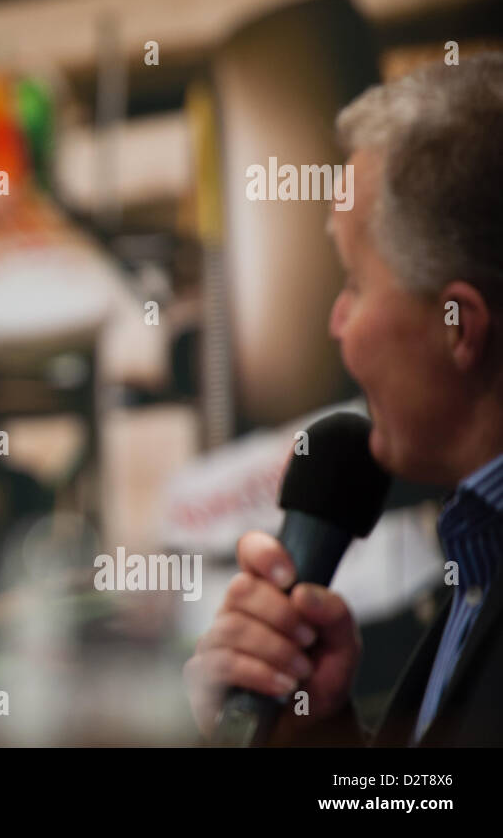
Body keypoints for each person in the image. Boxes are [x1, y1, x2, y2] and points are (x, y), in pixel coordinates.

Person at [184, 52, 503, 747]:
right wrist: (323, 735)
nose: (337, 323)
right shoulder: (478, 548)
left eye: (355, 284)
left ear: (459, 327)